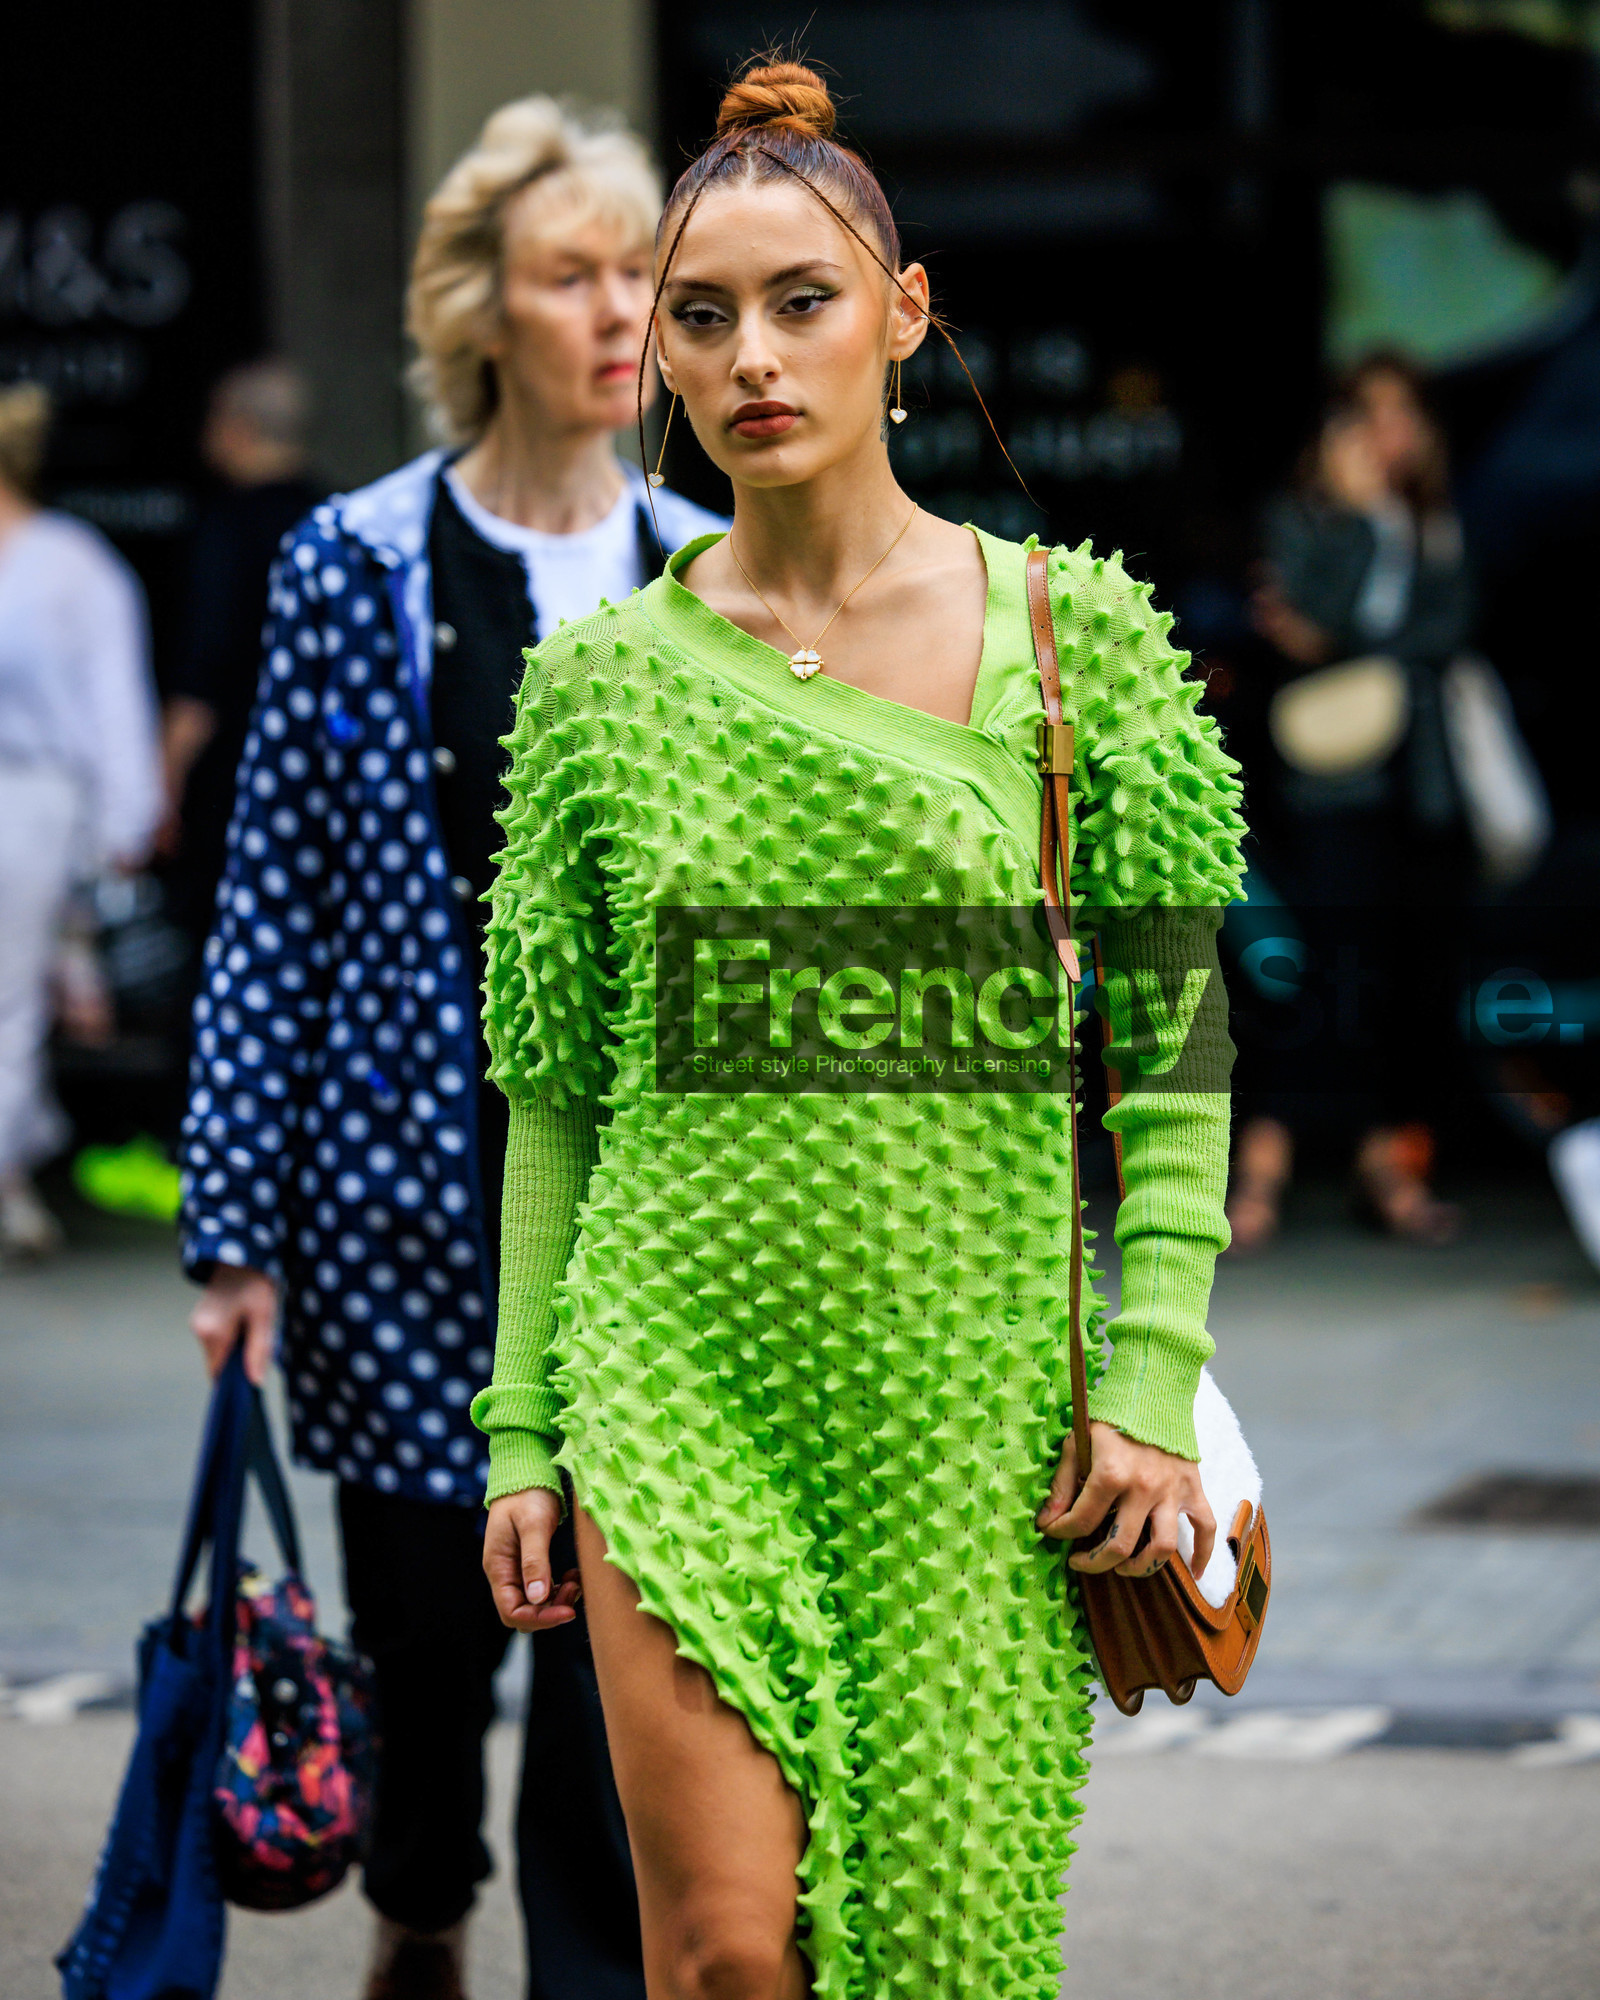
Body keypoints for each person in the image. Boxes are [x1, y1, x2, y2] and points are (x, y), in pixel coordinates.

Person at [475, 63, 1243, 2000]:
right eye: (701, 310)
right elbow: (554, 1098)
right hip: (673, 1385)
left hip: (973, 1422)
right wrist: (521, 1432)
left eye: (801, 300)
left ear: (902, 317)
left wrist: (1146, 1373)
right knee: (725, 1957)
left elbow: (1166, 1053)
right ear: (653, 340)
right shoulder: (594, 692)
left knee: (934, 1960)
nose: (752, 355)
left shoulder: (1076, 638)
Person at [178, 97, 723, 2000]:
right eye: (570, 274)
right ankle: (422, 1898)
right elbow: (271, 906)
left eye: (637, 280)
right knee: (427, 1630)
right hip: (401, 1212)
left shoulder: (705, 564)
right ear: (480, 304)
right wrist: (231, 1231)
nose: (613, 316)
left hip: (643, 1210)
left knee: (612, 1644)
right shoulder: (355, 561)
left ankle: (583, 1964)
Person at [1233, 353, 1473, 1251]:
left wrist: (1381, 551)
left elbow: (1444, 631)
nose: (1386, 434)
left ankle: (1387, 1167)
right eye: (1366, 414)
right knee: (1311, 971)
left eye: (1401, 412)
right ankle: (1262, 1168)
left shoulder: (1437, 522)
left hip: (1424, 788)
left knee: (1401, 979)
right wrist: (1367, 527)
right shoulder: (1308, 520)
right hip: (1327, 785)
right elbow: (1307, 628)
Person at [0, 383, 161, 1261]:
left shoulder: (70, 563)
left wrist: (123, 827)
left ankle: (10, 1179)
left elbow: (111, 697)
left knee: (12, 999)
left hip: (31, 799)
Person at [160, 359, 324, 942]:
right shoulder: (337, 520)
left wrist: (166, 783)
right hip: (326, 771)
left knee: (224, 940)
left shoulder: (226, 529)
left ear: (236, 427)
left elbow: (202, 669)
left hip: (236, 779)